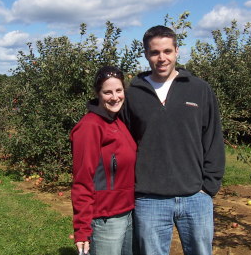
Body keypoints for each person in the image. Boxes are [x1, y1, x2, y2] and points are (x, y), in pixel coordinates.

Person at [122, 25, 225, 255]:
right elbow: (124, 144)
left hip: (195, 197)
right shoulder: (132, 94)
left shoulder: (199, 89)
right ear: (146, 54)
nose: (162, 58)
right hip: (150, 199)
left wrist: (208, 187)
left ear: (177, 51)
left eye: (167, 51)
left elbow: (213, 139)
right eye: (155, 52)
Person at [70, 66, 136, 255]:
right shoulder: (90, 127)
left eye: (118, 90)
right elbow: (82, 180)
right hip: (105, 219)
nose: (115, 97)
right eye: (107, 92)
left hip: (128, 212)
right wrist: (82, 229)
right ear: (98, 94)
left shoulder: (118, 122)